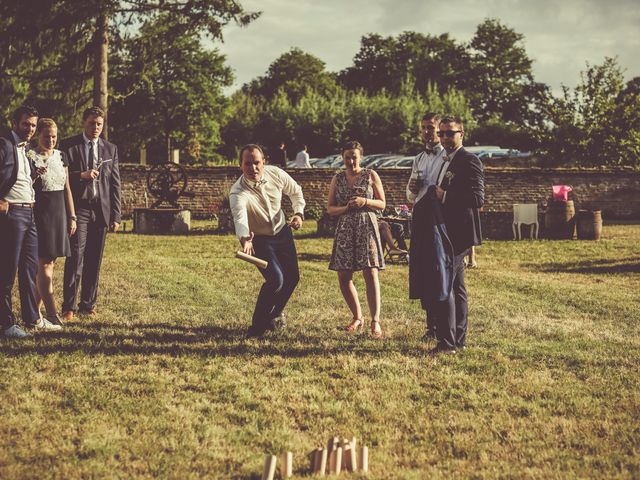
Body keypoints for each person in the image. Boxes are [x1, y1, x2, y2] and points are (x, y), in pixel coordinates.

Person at [230, 144, 306, 338]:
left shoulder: (276, 174)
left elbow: (296, 191)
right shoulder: (238, 192)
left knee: (293, 278)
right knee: (276, 280)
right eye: (248, 164)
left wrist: (298, 214)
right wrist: (245, 238)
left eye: (257, 163)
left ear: (264, 162)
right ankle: (256, 328)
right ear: (240, 166)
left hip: (283, 232)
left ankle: (274, 315)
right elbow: (240, 217)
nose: (253, 168)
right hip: (259, 240)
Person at [1, 105, 61, 338]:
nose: (30, 128)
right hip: (12, 214)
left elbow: (18, 177)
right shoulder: (4, 145)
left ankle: (32, 318)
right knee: (6, 271)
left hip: (29, 214)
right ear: (15, 123)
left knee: (28, 270)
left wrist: (34, 174)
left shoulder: (25, 150)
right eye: (26, 123)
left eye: (33, 125)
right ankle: (6, 324)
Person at [61, 106, 121, 321]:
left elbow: (115, 184)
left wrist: (116, 215)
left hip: (101, 211)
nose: (95, 127)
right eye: (91, 123)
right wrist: (82, 175)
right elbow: (62, 178)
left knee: (94, 260)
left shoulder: (110, 149)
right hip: (79, 209)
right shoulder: (69, 145)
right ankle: (69, 306)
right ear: (83, 122)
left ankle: (88, 304)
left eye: (99, 124)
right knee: (76, 257)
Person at [430, 116, 484, 354]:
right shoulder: (447, 160)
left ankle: (449, 342)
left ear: (462, 134)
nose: (445, 138)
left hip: (458, 232)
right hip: (445, 230)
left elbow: (477, 199)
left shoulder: (469, 160)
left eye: (450, 133)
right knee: (457, 287)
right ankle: (457, 339)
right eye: (441, 134)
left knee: (448, 285)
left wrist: (445, 197)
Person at [327, 140, 386, 338]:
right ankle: (357, 316)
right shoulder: (338, 178)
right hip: (345, 228)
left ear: (360, 157)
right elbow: (330, 208)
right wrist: (346, 208)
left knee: (370, 271)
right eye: (347, 157)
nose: (351, 161)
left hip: (366, 226)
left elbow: (382, 204)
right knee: (344, 275)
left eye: (354, 157)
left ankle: (375, 320)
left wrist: (364, 201)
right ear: (342, 158)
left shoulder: (370, 175)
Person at [30, 118, 77, 326]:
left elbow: (67, 188)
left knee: (50, 265)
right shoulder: (30, 157)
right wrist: (34, 174)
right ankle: (51, 313)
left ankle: (32, 313)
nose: (50, 140)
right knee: (45, 265)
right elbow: (24, 185)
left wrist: (72, 216)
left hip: (60, 215)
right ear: (38, 136)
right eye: (46, 136)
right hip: (41, 214)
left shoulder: (61, 156)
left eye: (54, 136)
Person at [407, 112, 448, 340]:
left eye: (430, 128)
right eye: (423, 127)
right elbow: (410, 196)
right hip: (421, 218)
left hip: (439, 220)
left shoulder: (447, 158)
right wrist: (412, 188)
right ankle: (430, 326)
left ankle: (442, 325)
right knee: (422, 271)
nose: (426, 132)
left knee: (437, 271)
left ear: (439, 130)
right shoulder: (419, 159)